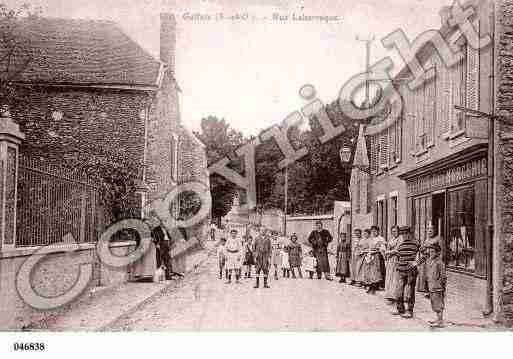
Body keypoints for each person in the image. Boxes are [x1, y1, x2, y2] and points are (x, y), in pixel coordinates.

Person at [392, 227, 425, 318]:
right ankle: (400, 309)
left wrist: (416, 263)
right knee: (399, 291)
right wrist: (397, 264)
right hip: (400, 271)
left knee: (410, 292)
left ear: (410, 234)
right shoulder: (401, 245)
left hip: (411, 271)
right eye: (402, 234)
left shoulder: (416, 243)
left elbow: (426, 254)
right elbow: (398, 256)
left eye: (406, 233)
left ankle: (410, 311)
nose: (404, 235)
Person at [425, 237, 446, 328]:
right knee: (434, 303)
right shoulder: (430, 261)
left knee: (439, 304)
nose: (431, 253)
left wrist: (442, 285)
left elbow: (443, 276)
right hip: (431, 286)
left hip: (437, 287)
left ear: (437, 253)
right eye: (430, 251)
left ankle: (440, 321)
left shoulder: (439, 263)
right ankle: (437, 319)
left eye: (433, 252)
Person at [362, 226, 386, 294]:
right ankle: (371, 286)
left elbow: (382, 248)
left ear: (378, 231)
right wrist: (368, 251)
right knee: (371, 271)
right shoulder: (371, 239)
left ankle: (375, 286)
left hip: (378, 256)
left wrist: (377, 249)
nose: (374, 232)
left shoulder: (381, 239)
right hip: (371, 256)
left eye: (375, 231)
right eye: (372, 231)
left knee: (376, 271)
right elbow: (368, 247)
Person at [384, 226, 402, 304]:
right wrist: (387, 252)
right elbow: (388, 248)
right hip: (390, 260)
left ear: (398, 232)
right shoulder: (391, 239)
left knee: (395, 277)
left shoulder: (400, 239)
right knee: (389, 277)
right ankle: (389, 295)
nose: (394, 233)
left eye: (395, 231)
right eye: (393, 231)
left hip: (396, 259)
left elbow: (397, 250)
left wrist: (388, 252)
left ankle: (395, 296)